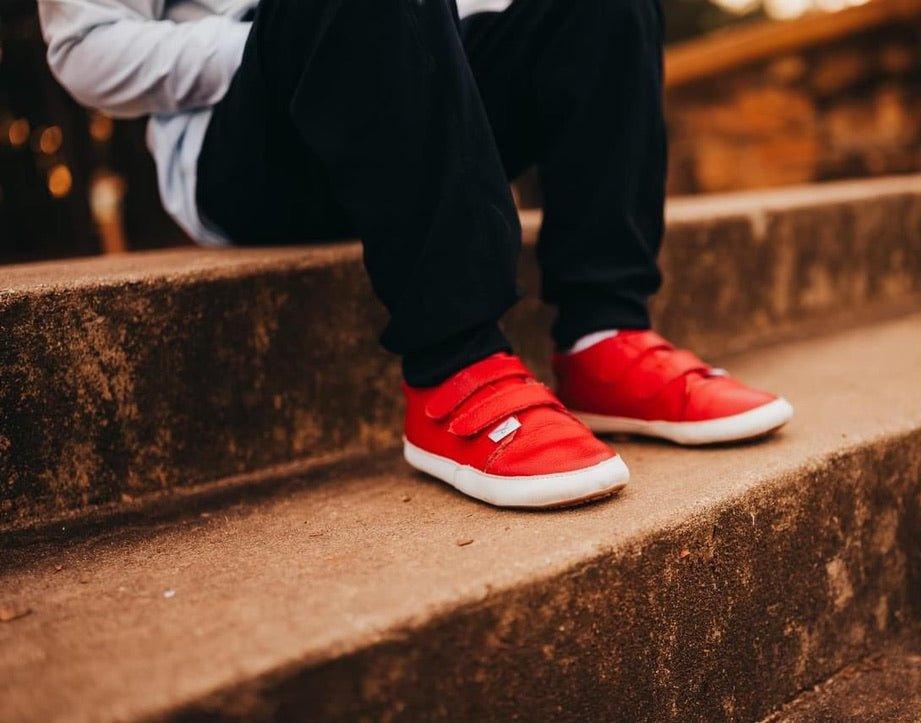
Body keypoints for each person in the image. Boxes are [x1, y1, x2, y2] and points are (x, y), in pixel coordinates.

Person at [38, 0, 793, 509]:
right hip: (245, 149)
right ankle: (452, 365)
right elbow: (84, 48)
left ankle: (605, 334)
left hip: (415, 84)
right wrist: (310, 41)